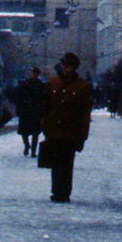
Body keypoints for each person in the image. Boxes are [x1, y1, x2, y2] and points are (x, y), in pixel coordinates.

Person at [39, 52, 95, 203]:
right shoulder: (53, 83)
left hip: (71, 132)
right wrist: (44, 126)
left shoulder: (83, 86)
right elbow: (46, 107)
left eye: (69, 66)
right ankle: (56, 191)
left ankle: (65, 192)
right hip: (54, 131)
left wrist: (83, 136)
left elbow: (85, 113)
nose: (66, 68)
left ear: (75, 68)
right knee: (56, 163)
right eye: (64, 65)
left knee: (67, 163)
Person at [13, 67, 48, 156]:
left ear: (36, 74)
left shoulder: (40, 85)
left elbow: (44, 98)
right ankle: (27, 145)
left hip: (35, 112)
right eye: (29, 72)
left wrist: (42, 110)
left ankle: (33, 151)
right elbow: (19, 97)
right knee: (24, 132)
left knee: (35, 133)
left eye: (31, 72)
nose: (30, 74)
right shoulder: (24, 84)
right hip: (26, 112)